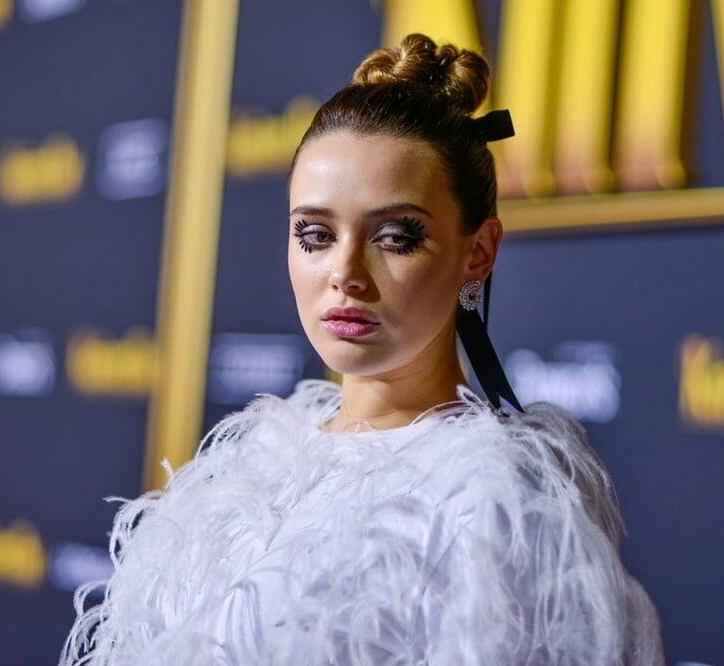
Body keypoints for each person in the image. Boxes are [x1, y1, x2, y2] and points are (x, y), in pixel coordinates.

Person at [61, 33, 665, 665]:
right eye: (315, 235)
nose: (345, 273)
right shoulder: (249, 465)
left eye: (396, 236)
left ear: (479, 251)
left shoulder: (496, 506)